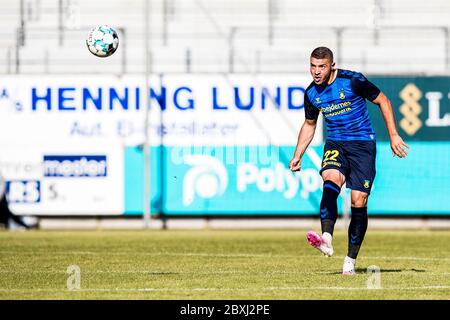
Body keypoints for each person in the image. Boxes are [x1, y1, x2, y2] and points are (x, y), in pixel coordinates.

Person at [289, 47, 409, 275]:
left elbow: (383, 100)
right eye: (313, 66)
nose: (316, 72)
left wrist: (393, 134)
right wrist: (298, 154)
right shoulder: (311, 93)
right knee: (330, 180)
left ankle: (350, 260)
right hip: (336, 144)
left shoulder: (352, 81)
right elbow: (310, 124)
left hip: (363, 145)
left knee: (358, 201)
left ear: (332, 66)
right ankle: (326, 237)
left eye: (321, 66)